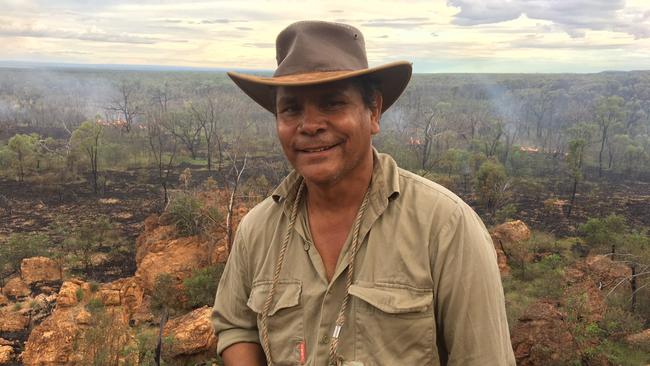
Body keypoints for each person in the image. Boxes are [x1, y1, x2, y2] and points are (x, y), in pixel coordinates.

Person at [212, 20, 516, 366]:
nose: (309, 125)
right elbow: (236, 326)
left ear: (373, 111)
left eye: (332, 104)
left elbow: (482, 357)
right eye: (291, 109)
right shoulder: (259, 230)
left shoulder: (446, 227)